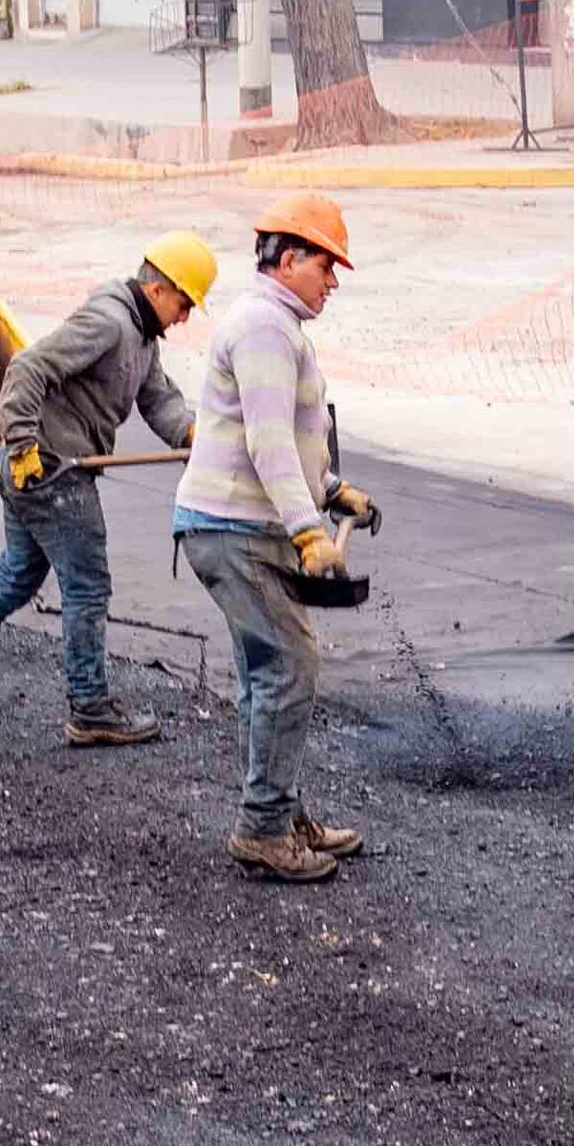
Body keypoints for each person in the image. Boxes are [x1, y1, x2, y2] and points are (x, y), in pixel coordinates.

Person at [0, 231, 210, 747]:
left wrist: (191, 433)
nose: (184, 317)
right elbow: (28, 367)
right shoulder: (109, 322)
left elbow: (158, 400)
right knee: (87, 585)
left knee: (16, 576)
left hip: (39, 466)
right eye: (184, 304)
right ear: (159, 289)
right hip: (47, 468)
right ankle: (90, 708)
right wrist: (21, 444)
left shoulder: (142, 337)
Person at [169, 194, 380, 882]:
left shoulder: (273, 322)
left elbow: (286, 437)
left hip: (233, 525)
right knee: (290, 668)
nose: (333, 281)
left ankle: (278, 810)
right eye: (326, 264)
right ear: (289, 259)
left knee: (269, 674)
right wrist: (310, 531)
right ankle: (261, 827)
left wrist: (329, 490)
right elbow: (265, 442)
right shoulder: (264, 327)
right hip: (234, 529)